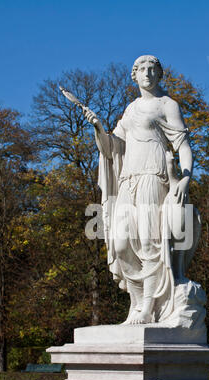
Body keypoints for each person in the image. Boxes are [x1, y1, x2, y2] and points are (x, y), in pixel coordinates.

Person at [84, 55, 196, 325]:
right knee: (121, 245)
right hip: (127, 181)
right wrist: (98, 127)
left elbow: (182, 146)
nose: (147, 73)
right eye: (141, 69)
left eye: (152, 69)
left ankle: (148, 308)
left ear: (160, 75)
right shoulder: (131, 109)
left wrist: (185, 177)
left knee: (149, 243)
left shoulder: (167, 105)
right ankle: (136, 305)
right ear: (134, 75)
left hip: (152, 177)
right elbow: (111, 148)